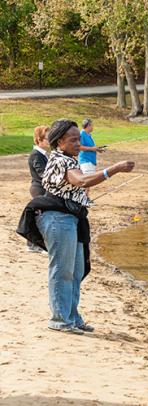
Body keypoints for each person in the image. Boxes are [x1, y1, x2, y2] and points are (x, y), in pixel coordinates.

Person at [17, 119, 135, 335]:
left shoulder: (66, 158)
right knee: (63, 270)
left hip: (71, 218)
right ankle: (60, 320)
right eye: (73, 140)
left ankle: (72, 316)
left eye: (79, 139)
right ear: (60, 141)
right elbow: (80, 181)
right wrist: (114, 169)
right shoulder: (63, 161)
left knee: (77, 270)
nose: (78, 143)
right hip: (57, 219)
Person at [26, 125, 50, 253]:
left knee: (39, 217)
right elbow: (43, 174)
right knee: (39, 218)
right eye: (47, 138)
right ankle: (32, 245)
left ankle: (35, 244)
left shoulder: (44, 154)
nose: (50, 141)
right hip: (38, 189)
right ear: (39, 139)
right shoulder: (36, 155)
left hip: (42, 188)